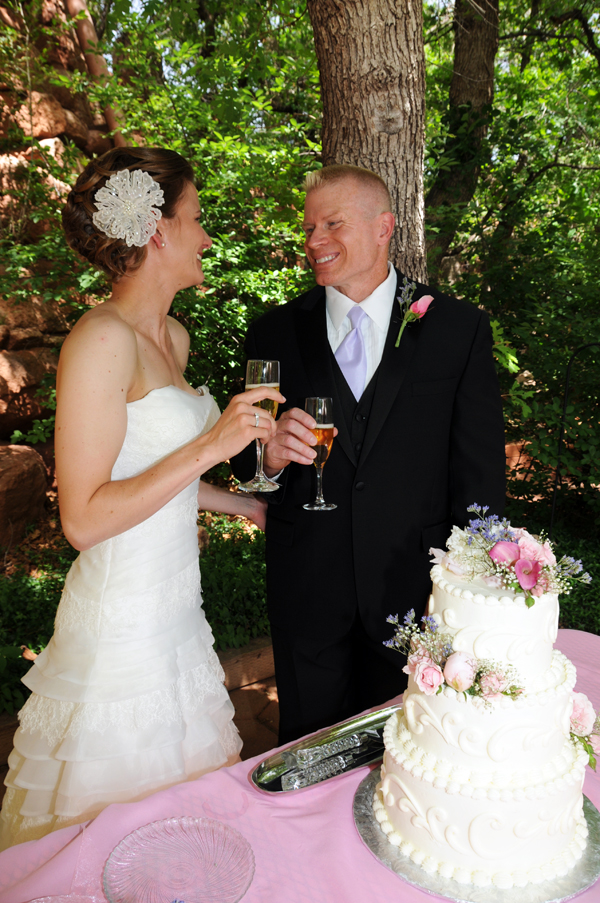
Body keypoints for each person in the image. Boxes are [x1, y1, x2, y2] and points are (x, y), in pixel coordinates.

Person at [0, 147, 283, 850]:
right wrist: (213, 444)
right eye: (196, 219)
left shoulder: (175, 337)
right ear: (156, 231)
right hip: (119, 632)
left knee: (185, 837)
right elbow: (83, 517)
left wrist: (240, 503)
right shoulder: (100, 339)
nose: (208, 237)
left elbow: (159, 470)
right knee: (109, 846)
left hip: (177, 617)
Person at [231, 164, 506, 745]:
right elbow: (246, 464)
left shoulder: (458, 328)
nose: (313, 241)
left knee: (413, 755)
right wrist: (270, 457)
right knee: (309, 751)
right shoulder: (274, 333)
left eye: (332, 223)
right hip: (307, 590)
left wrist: (477, 593)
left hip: (417, 596)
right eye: (308, 228)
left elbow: (480, 475)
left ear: (385, 227)